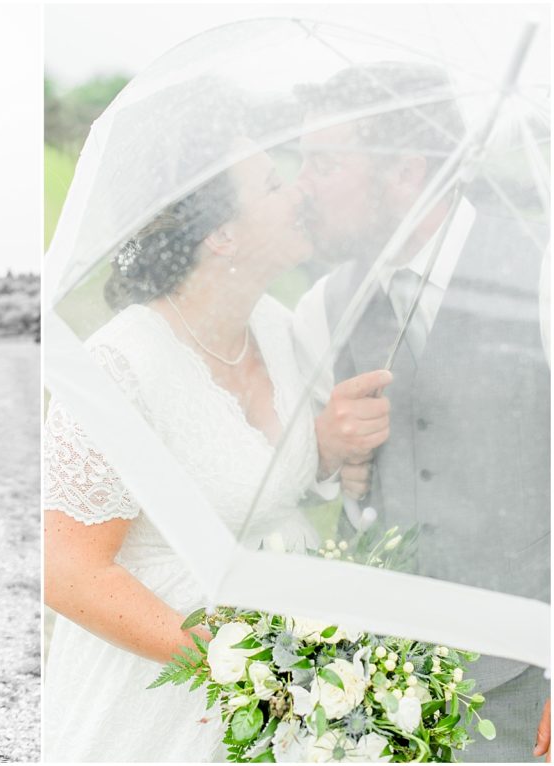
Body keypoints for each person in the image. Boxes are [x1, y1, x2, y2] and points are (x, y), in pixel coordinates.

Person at [43, 134, 389, 762]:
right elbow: (70, 572)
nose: (300, 191)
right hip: (164, 702)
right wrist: (246, 664)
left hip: (294, 692)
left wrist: (328, 450)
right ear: (221, 236)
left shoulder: (279, 330)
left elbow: (260, 490)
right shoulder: (121, 366)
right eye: (274, 185)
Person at [292, 61, 551, 762]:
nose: (302, 186)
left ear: (406, 172)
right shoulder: (321, 308)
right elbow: (313, 489)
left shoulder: (541, 268)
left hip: (526, 684)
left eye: (326, 163)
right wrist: (329, 450)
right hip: (377, 690)